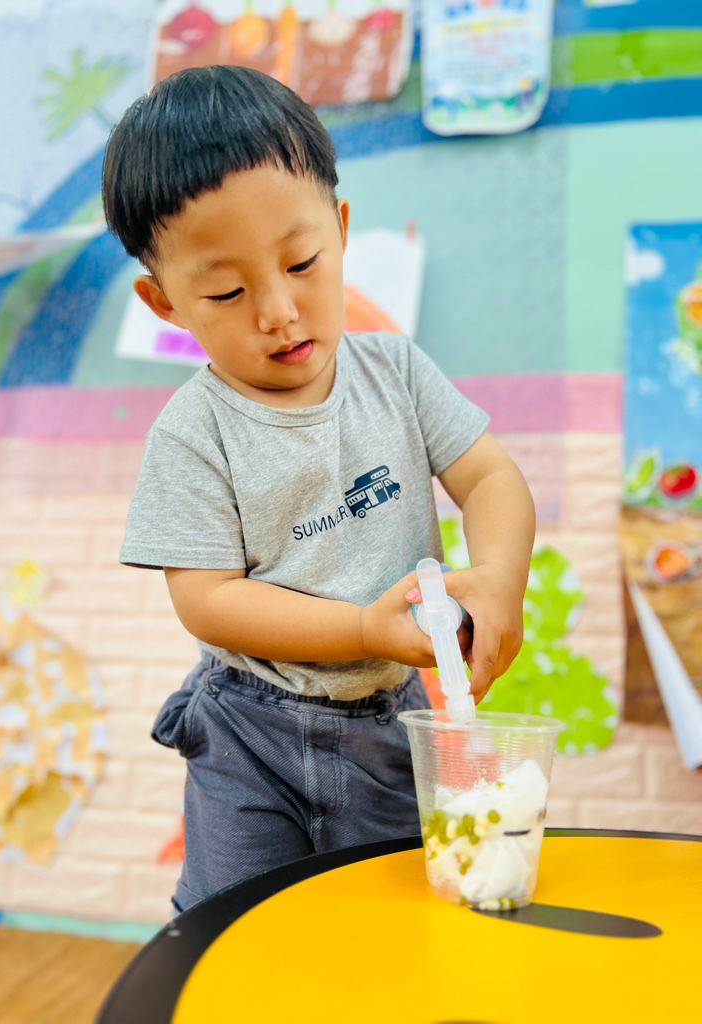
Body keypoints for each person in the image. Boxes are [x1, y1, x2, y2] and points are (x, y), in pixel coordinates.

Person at [102, 65, 535, 914]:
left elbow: (490, 476)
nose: (278, 311)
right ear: (165, 302)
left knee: (388, 917)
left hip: (390, 722)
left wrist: (500, 577)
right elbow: (207, 600)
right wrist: (360, 627)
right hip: (248, 733)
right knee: (236, 922)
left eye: (301, 262)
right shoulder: (192, 432)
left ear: (339, 229)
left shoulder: (397, 372)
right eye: (226, 291)